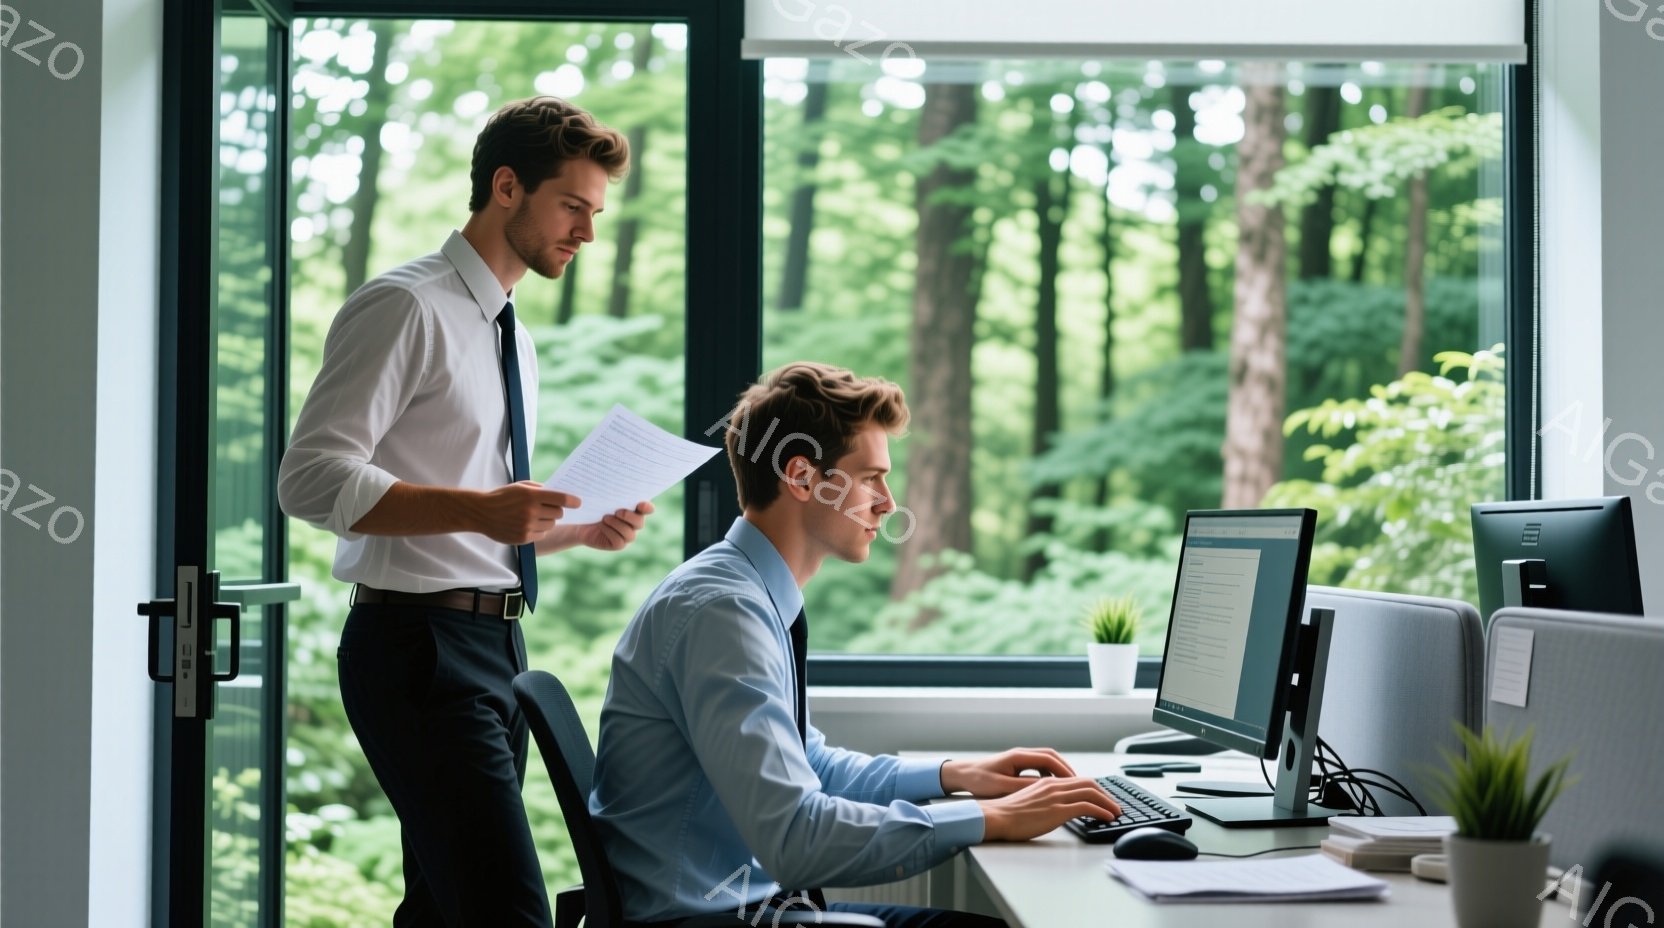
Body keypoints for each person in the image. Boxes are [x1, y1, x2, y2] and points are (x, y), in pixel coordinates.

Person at [278, 96, 652, 928]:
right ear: (507, 187)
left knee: (445, 910)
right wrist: (486, 510)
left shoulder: (510, 331)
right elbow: (307, 480)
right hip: (416, 652)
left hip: (496, 644)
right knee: (507, 911)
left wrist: (574, 531)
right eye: (574, 207)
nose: (587, 234)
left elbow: (474, 521)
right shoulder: (405, 305)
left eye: (596, 213)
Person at [591, 362, 1123, 928]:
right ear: (801, 478)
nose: (889, 503)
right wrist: (990, 818)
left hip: (741, 906)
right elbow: (795, 839)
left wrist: (953, 776)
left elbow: (807, 762)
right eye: (871, 477)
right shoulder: (725, 613)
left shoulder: (746, 592)